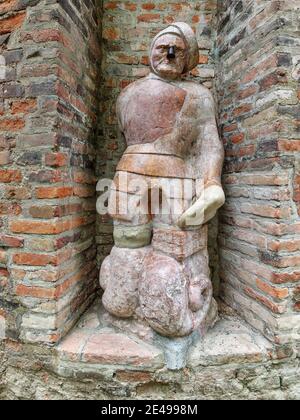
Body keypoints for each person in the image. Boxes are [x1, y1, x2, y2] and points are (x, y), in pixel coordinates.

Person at [100, 22, 225, 338]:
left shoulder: (198, 95)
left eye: (178, 50)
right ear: (150, 51)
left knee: (176, 250)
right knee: (128, 246)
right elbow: (127, 137)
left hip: (176, 181)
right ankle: (124, 307)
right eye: (163, 47)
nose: (169, 53)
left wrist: (211, 184)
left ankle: (175, 313)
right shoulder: (128, 94)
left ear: (187, 59)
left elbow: (209, 142)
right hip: (130, 178)